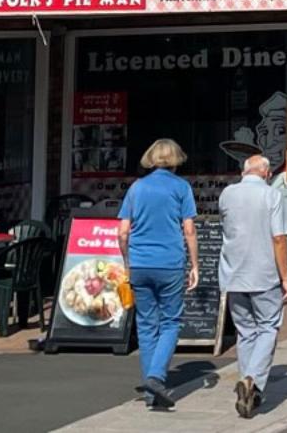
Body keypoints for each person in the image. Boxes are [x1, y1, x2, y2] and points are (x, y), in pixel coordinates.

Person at [118, 139, 199, 410]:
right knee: (171, 322)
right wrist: (195, 265)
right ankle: (155, 377)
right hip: (170, 263)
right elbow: (189, 230)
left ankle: (152, 393)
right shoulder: (181, 187)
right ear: (176, 159)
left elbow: (123, 232)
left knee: (146, 325)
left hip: (140, 264)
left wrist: (127, 263)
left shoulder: (137, 188)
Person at [218, 155, 287, 419]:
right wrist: (286, 278)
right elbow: (279, 239)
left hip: (233, 274)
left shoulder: (226, 194)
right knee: (268, 327)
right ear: (266, 173)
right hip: (264, 274)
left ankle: (247, 385)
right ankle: (252, 379)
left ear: (244, 172)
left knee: (246, 331)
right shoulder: (271, 196)